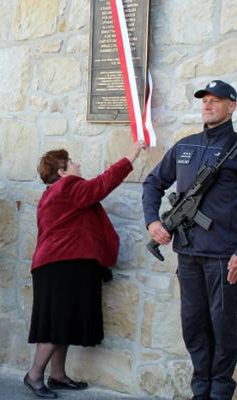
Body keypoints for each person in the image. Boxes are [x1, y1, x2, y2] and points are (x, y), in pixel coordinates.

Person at [142, 80, 237, 399]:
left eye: (217, 100)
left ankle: (220, 392)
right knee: (193, 324)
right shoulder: (185, 147)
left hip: (224, 258)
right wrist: (153, 221)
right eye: (205, 100)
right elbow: (152, 183)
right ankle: (201, 389)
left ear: (232, 106)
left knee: (223, 327)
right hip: (188, 255)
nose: (208, 105)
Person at [25, 140, 146, 399]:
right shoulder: (69, 186)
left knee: (63, 321)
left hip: (58, 264)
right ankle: (35, 375)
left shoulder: (53, 192)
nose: (76, 163)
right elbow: (102, 184)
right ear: (62, 172)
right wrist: (132, 153)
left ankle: (57, 375)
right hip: (60, 265)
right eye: (70, 162)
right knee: (55, 322)